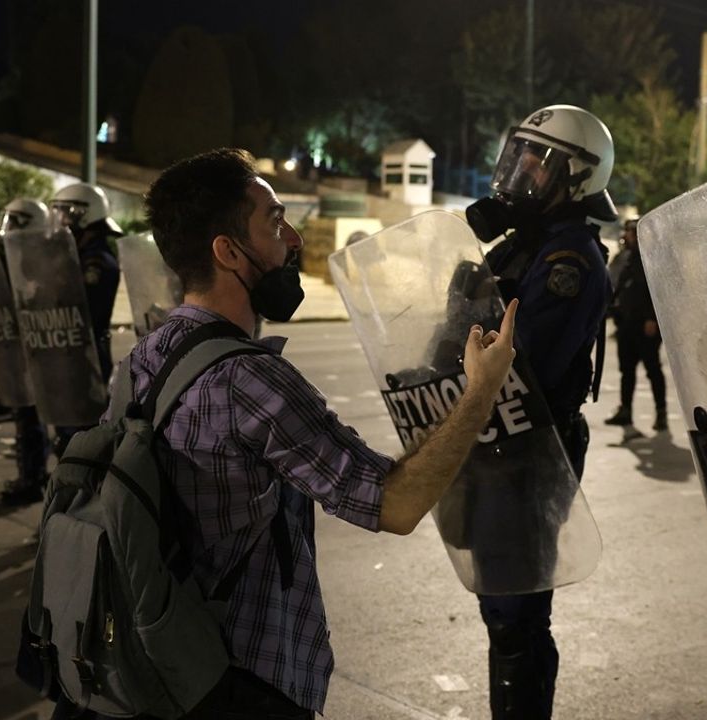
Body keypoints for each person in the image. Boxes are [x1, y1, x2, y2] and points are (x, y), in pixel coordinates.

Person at [62, 148, 518, 719]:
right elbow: (395, 504)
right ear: (228, 252)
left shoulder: (145, 357)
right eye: (275, 222)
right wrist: (479, 391)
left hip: (162, 669)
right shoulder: (250, 379)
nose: (295, 240)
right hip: (243, 681)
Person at [464, 104, 614, 718]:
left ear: (576, 178)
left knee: (517, 614)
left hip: (534, 448)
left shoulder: (568, 262)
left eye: (538, 161)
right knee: (500, 604)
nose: (521, 169)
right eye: (518, 154)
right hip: (498, 444)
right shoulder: (520, 248)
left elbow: (524, 362)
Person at [47, 183, 122, 455]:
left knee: (82, 435)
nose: (62, 220)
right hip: (69, 350)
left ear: (85, 215)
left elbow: (83, 310)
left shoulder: (97, 263)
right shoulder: (73, 256)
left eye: (67, 213)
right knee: (66, 428)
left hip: (86, 352)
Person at [0, 199, 52, 507]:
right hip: (22, 346)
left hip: (50, 349)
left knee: (67, 429)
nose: (9, 227)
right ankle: (31, 475)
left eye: (16, 221)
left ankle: (68, 497)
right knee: (25, 414)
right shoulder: (5, 256)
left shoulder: (49, 259)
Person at [604, 217, 667, 431]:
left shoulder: (652, 260)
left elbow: (659, 291)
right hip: (628, 324)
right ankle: (625, 411)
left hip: (645, 325)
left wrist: (652, 318)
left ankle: (661, 413)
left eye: (630, 232)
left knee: (653, 369)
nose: (626, 236)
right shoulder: (629, 259)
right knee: (627, 370)